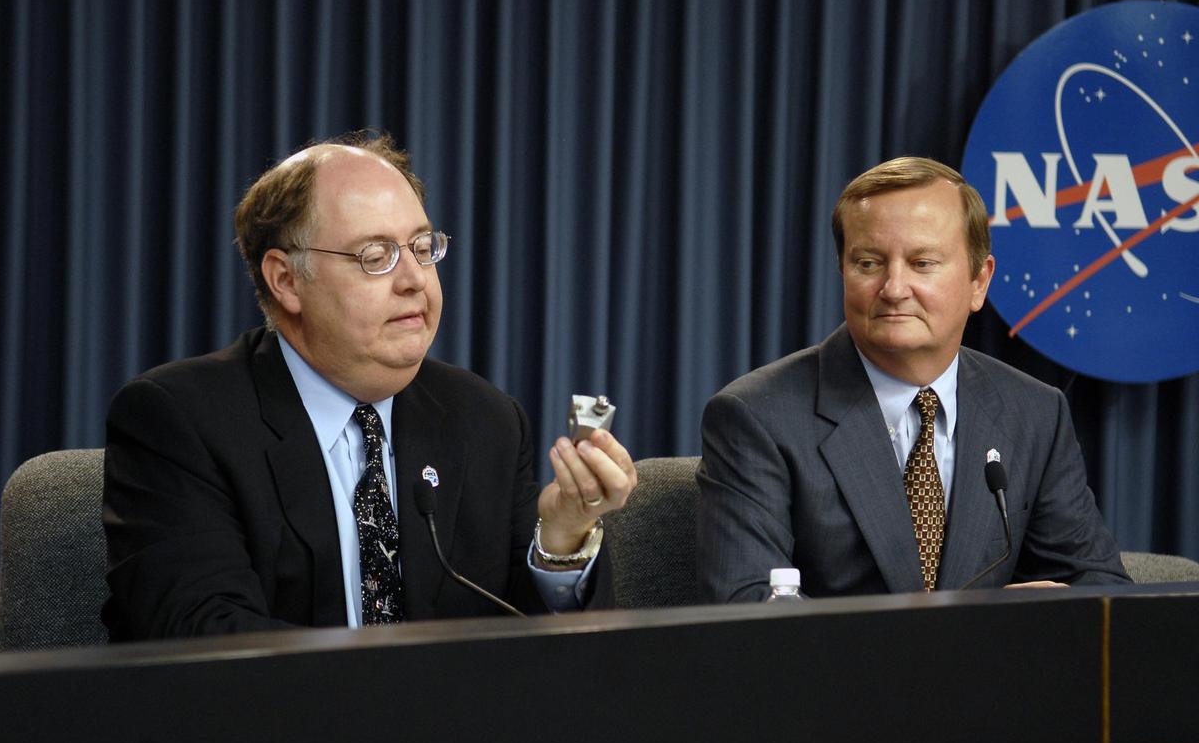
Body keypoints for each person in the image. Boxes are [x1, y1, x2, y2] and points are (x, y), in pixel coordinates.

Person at [102, 132, 637, 640]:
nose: (414, 280)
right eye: (375, 257)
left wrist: (562, 537)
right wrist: (402, 694)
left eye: (422, 248)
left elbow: (545, 648)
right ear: (286, 280)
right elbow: (204, 637)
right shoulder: (181, 419)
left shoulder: (483, 419)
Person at [697, 157, 1129, 601]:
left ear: (979, 281)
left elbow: (1100, 589)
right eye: (868, 263)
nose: (894, 288)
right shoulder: (758, 416)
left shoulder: (1035, 412)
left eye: (922, 263)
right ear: (843, 271)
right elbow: (747, 609)